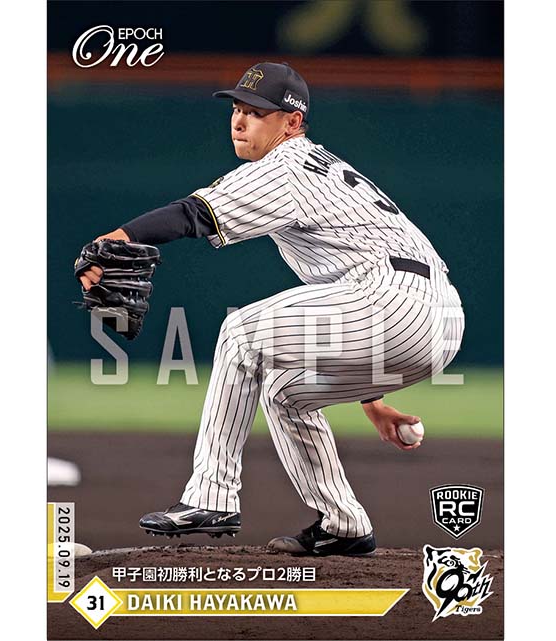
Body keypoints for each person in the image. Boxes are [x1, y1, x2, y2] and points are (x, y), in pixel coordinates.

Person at [78, 62, 464, 557]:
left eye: (257, 113)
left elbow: (193, 214)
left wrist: (115, 238)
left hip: (393, 301)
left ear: (292, 122)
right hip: (429, 319)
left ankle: (211, 497)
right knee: (286, 394)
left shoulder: (286, 167)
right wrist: (373, 397)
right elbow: (348, 299)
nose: (240, 121)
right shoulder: (318, 167)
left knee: (241, 334)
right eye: (238, 109)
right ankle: (344, 524)